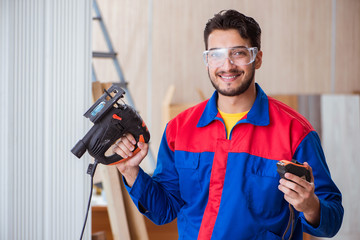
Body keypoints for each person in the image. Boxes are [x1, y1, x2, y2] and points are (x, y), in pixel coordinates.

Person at [113, 10, 343, 239]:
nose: (227, 65)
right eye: (216, 55)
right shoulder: (179, 129)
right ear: (207, 61)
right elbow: (164, 211)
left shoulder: (295, 132)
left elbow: (331, 223)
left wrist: (310, 206)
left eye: (239, 53)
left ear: (257, 58)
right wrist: (131, 172)